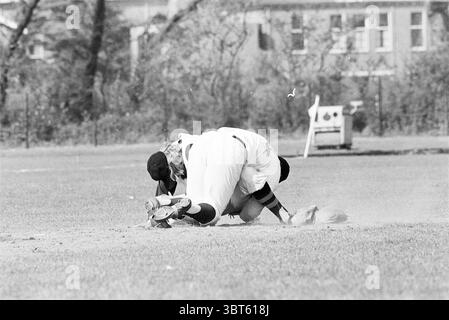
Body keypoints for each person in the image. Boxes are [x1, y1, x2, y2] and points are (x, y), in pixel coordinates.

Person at [146, 128, 291, 227]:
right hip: (227, 148)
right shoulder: (271, 167)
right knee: (212, 212)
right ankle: (173, 203)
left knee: (199, 203)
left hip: (207, 139)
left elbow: (166, 177)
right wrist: (284, 215)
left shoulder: (177, 146)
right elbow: (255, 190)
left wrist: (153, 216)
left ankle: (166, 201)